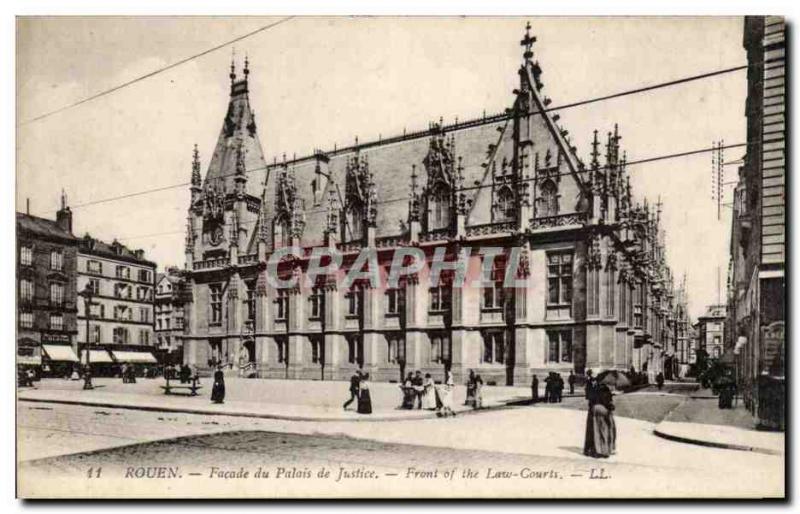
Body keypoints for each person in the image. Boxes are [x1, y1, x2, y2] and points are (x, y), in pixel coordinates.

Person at [584, 383, 616, 458]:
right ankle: (603, 450)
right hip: (603, 412)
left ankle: (594, 449)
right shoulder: (606, 390)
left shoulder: (593, 389)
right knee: (604, 431)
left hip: (594, 412)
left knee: (595, 432)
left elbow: (590, 402)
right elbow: (609, 403)